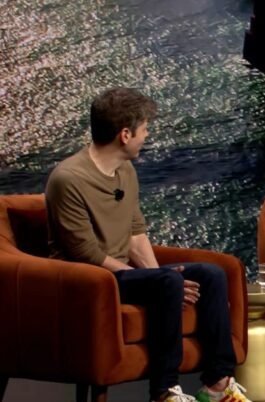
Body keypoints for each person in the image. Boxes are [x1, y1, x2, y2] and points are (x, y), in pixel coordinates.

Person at [45, 87, 252, 402]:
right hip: (88, 279)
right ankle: (163, 392)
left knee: (210, 274)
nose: (148, 135)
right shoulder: (68, 178)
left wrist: (161, 277)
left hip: (122, 274)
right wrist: (161, 281)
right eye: (144, 129)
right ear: (125, 135)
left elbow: (135, 233)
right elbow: (84, 253)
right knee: (167, 281)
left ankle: (218, 386)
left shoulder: (125, 170)